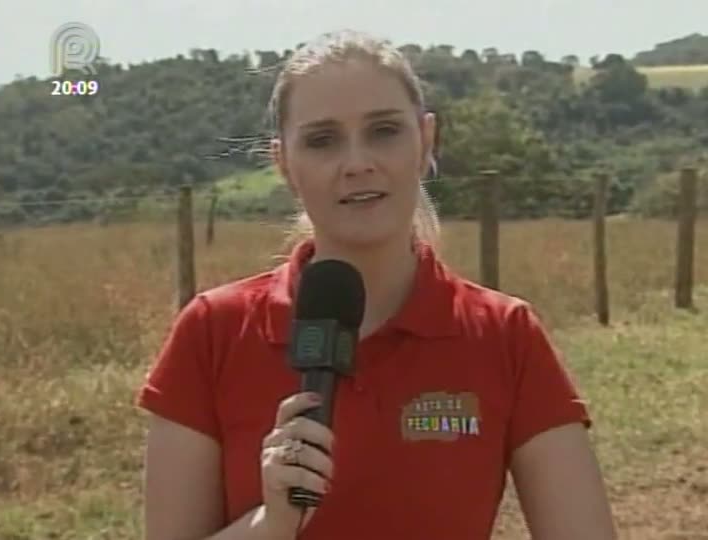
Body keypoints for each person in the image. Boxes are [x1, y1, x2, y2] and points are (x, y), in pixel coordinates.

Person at [136, 29, 618, 540]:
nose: (358, 163)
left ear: (425, 141)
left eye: (384, 131)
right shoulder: (213, 333)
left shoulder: (506, 336)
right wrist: (271, 523)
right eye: (322, 140)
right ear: (284, 165)